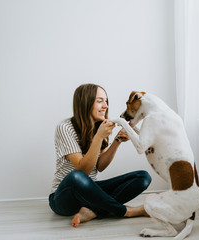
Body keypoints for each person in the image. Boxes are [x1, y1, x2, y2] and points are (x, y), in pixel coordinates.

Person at [49, 83, 152, 227]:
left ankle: (93, 211)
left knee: (143, 177)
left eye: (106, 101)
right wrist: (98, 137)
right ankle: (127, 212)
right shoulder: (65, 128)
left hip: (91, 191)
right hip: (65, 197)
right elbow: (83, 170)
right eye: (99, 101)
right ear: (85, 103)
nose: (106, 106)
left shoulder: (99, 126)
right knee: (76, 177)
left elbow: (100, 167)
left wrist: (117, 141)